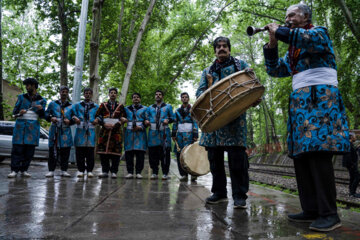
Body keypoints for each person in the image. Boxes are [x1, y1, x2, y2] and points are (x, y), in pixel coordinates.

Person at [263, 3, 350, 232]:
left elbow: (306, 39)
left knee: (319, 155)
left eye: (292, 14)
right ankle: (311, 209)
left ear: (305, 16)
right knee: (302, 157)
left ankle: (330, 214)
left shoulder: (318, 33)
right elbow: (274, 70)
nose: (288, 18)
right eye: (286, 16)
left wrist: (279, 31)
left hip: (321, 103)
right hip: (300, 108)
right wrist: (272, 45)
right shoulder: (293, 50)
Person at [196, 36, 252, 209]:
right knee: (215, 159)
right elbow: (199, 93)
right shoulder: (207, 71)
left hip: (235, 121)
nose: (221, 48)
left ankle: (239, 196)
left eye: (224, 46)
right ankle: (219, 192)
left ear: (229, 48)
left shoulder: (241, 66)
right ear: (215, 50)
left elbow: (253, 85)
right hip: (213, 123)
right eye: (218, 46)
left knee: (237, 159)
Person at [8, 78, 46, 178]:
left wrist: (41, 110)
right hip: (20, 128)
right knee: (17, 150)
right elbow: (14, 113)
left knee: (29, 151)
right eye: (26, 85)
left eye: (28, 85)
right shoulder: (21, 97)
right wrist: (19, 113)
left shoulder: (42, 100)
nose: (27, 87)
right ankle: (14, 170)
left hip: (33, 130)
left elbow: (43, 116)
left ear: (34, 86)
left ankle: (24, 170)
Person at [66, 87, 99, 178]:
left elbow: (101, 116)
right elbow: (70, 113)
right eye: (86, 93)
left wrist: (97, 119)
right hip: (80, 129)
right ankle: (80, 170)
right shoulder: (77, 105)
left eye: (89, 93)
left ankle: (89, 170)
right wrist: (74, 117)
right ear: (83, 94)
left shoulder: (96, 106)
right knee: (79, 151)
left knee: (90, 152)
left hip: (91, 130)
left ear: (92, 95)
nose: (87, 95)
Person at [94, 88, 127, 179]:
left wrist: (119, 123)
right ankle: (105, 171)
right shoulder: (103, 105)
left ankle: (114, 171)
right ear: (109, 94)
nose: (113, 94)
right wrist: (103, 123)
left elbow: (124, 117)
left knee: (115, 153)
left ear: (116, 95)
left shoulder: (120, 106)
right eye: (111, 93)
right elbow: (97, 116)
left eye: (114, 93)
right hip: (104, 132)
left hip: (116, 132)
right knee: (103, 153)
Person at [145, 90, 174, 180]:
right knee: (153, 153)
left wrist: (168, 120)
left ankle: (165, 173)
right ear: (155, 97)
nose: (158, 96)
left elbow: (173, 118)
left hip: (164, 132)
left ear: (162, 97)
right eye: (156, 95)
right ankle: (154, 172)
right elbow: (146, 118)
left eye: (160, 95)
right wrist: (146, 121)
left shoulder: (168, 107)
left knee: (165, 153)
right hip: (153, 133)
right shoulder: (149, 108)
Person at [44, 86, 73, 178]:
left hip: (65, 130)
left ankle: (64, 170)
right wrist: (50, 118)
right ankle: (51, 170)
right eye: (62, 91)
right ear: (59, 93)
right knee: (52, 149)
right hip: (55, 129)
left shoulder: (71, 106)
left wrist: (70, 122)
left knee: (65, 150)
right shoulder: (53, 104)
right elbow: (46, 114)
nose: (64, 93)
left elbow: (75, 117)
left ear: (68, 93)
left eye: (66, 92)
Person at [171, 92, 198, 182]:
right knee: (180, 154)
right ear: (181, 99)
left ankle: (193, 174)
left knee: (191, 154)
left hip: (190, 135)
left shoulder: (193, 110)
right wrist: (173, 134)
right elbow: (175, 123)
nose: (184, 98)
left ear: (188, 99)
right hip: (180, 136)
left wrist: (195, 134)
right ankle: (183, 175)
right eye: (183, 97)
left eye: (186, 97)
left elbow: (195, 122)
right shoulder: (178, 111)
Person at [124, 93, 148, 179]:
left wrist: (141, 127)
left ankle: (138, 172)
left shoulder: (145, 109)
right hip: (129, 133)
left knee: (140, 153)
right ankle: (130, 172)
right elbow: (122, 118)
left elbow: (147, 120)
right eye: (134, 97)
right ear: (132, 99)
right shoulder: (126, 109)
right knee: (129, 153)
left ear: (140, 99)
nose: (136, 99)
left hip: (140, 133)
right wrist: (123, 119)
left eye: (138, 97)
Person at [342, 133, 360, 198]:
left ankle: (351, 192)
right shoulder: (349, 144)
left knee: (352, 177)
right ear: (351, 137)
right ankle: (352, 192)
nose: (355, 138)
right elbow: (348, 155)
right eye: (355, 136)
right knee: (357, 177)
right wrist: (352, 164)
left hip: (350, 164)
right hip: (351, 164)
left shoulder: (348, 144)